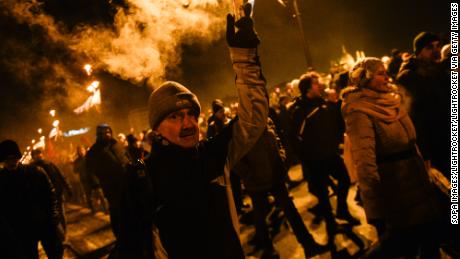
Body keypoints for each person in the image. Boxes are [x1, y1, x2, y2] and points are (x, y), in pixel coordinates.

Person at [125, 6, 268, 258]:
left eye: (191, 113)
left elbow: (252, 119)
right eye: (175, 116)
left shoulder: (212, 154)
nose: (188, 123)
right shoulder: (146, 177)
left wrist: (244, 58)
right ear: (156, 127)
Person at [342, 57, 442, 258]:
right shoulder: (358, 111)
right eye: (380, 73)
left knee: (431, 242)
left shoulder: (393, 101)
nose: (387, 77)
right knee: (406, 247)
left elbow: (412, 142)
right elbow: (364, 162)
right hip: (397, 192)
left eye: (385, 72)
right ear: (364, 79)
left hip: (419, 184)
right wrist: (375, 208)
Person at [236, 118, 328, 259]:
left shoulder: (265, 119)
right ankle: (269, 249)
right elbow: (235, 159)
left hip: (275, 176)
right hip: (256, 183)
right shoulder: (239, 126)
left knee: (291, 212)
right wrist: (250, 175)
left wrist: (282, 159)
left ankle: (309, 245)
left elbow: (277, 141)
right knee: (260, 217)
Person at [0, 140, 63, 259]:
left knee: (55, 254)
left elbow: (51, 195)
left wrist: (54, 219)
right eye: (7, 159)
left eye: (13, 157)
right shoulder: (1, 179)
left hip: (45, 224)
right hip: (22, 230)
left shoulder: (35, 172)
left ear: (18, 157)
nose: (11, 162)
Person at [396, 31, 442, 173]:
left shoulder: (437, 70)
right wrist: (425, 152)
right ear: (419, 51)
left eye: (438, 46)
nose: (436, 51)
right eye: (430, 47)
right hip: (435, 143)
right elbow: (414, 116)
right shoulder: (409, 76)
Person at [86, 124, 131, 256]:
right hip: (111, 187)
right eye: (103, 133)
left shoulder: (117, 145)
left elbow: (126, 158)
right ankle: (120, 236)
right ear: (98, 135)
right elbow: (91, 170)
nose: (106, 135)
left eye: (108, 132)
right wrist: (97, 183)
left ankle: (131, 233)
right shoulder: (94, 151)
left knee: (129, 208)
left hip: (127, 183)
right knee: (117, 210)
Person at [31, 147, 72, 235]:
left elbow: (61, 176)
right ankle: (59, 234)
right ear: (33, 157)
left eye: (40, 153)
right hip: (44, 198)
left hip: (58, 193)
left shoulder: (50, 164)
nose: (39, 155)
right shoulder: (32, 169)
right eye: (36, 154)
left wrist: (68, 188)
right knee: (52, 217)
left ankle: (64, 233)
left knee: (61, 213)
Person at [73, 145, 107, 214]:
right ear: (78, 152)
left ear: (84, 150)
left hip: (94, 178)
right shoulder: (76, 161)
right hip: (85, 180)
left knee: (100, 194)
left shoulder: (89, 157)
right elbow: (75, 170)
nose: (81, 152)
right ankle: (93, 210)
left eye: (82, 150)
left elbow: (96, 165)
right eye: (79, 151)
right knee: (89, 196)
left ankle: (106, 209)